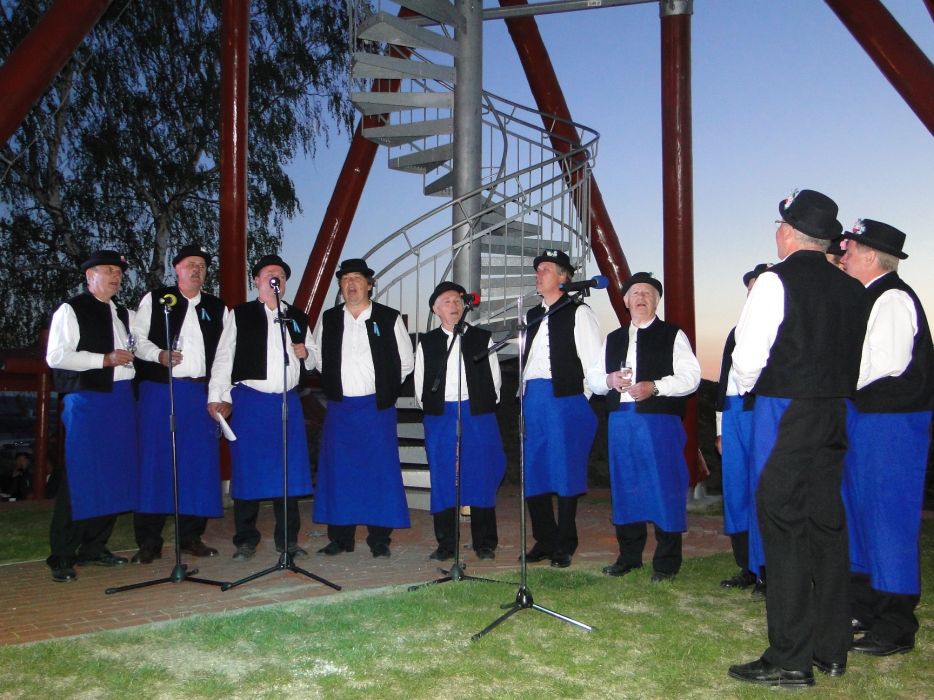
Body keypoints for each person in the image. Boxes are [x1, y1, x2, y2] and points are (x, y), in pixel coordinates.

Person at [727, 189, 866, 687]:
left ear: (787, 232)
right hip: (834, 411)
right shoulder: (853, 287)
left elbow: (747, 358)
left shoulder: (775, 279)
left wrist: (751, 388)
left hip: (786, 409)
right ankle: (832, 648)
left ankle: (789, 658)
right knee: (827, 526)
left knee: (782, 527)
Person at [839, 219, 933, 656]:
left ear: (872, 256)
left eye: (850, 248)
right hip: (868, 418)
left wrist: (831, 379)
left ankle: (896, 625)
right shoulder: (868, 295)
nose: (843, 254)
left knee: (888, 517)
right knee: (860, 513)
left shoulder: (892, 297)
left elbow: (885, 364)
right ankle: (864, 608)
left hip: (892, 423)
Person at [587, 272, 700, 582]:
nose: (641, 297)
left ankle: (666, 563)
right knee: (626, 487)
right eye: (635, 293)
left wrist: (656, 387)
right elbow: (593, 378)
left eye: (648, 293)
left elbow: (691, 377)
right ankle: (629, 557)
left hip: (659, 421)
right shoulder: (613, 338)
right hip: (621, 421)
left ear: (656, 301)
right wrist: (609, 379)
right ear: (625, 301)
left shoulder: (673, 334)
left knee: (665, 486)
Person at [208, 254, 314, 561]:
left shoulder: (296, 316)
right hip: (251, 402)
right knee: (248, 471)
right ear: (256, 280)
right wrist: (217, 395)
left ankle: (287, 541)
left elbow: (314, 358)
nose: (274, 277)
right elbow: (224, 356)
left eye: (280, 274)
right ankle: (245, 540)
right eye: (268, 273)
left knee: (288, 473)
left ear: (284, 282)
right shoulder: (240, 314)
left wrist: (306, 353)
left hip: (287, 402)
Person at [45, 250, 138, 582]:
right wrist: (104, 359)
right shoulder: (71, 309)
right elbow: (56, 356)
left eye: (119, 272)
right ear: (89, 276)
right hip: (87, 400)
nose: (116, 276)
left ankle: (95, 547)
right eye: (108, 270)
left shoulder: (124, 313)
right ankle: (61, 555)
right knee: (81, 474)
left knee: (114, 474)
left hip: (121, 400)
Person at [130, 244, 227, 563]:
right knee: (155, 463)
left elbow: (224, 356)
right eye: (190, 264)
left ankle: (190, 536)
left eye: (201, 265)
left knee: (198, 466)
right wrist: (158, 354)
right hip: (160, 391)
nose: (196, 269)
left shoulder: (217, 307)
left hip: (199, 393)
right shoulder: (157, 299)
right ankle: (149, 541)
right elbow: (136, 339)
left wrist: (219, 394)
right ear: (177, 269)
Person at [312, 258, 414, 557]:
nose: (351, 284)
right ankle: (340, 538)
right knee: (339, 473)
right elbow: (320, 360)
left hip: (376, 409)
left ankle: (379, 539)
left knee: (379, 474)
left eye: (357, 278)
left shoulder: (389, 317)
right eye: (345, 279)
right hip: (341, 408)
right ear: (341, 286)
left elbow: (406, 362)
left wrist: (385, 389)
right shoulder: (329, 319)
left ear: (370, 285)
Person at [414, 281, 507, 561]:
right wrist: (435, 409)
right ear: (436, 309)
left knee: (481, 474)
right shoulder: (427, 342)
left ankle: (484, 542)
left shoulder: (481, 337)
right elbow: (420, 383)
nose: (453, 306)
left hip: (476, 412)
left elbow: (495, 379)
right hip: (441, 414)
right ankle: (446, 544)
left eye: (457, 300)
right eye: (446, 301)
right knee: (443, 477)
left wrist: (482, 404)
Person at [522, 249, 601, 569]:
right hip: (534, 398)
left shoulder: (579, 312)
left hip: (565, 399)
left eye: (546, 269)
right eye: (537, 269)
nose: (538, 274)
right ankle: (544, 538)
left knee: (566, 471)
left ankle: (566, 542)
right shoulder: (531, 315)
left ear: (563, 277)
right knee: (535, 470)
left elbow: (594, 363)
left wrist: (579, 399)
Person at [715, 263, 769, 594]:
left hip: (761, 413)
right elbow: (724, 382)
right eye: (750, 289)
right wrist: (720, 429)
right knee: (736, 492)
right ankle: (746, 566)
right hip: (733, 414)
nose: (753, 293)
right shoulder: (736, 332)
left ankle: (768, 570)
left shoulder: (780, 328)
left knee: (762, 491)